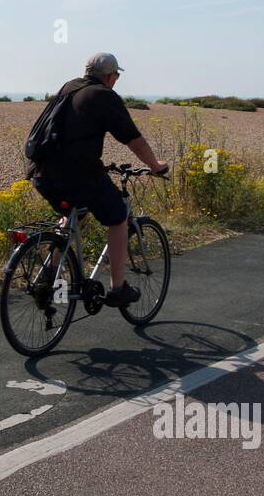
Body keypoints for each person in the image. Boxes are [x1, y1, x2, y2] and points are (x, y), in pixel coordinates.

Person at [27, 52, 169, 307]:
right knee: (118, 217)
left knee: (75, 214)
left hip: (42, 173)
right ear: (110, 76)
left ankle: (50, 272)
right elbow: (133, 139)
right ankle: (118, 288)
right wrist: (155, 166)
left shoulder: (69, 86)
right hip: (78, 174)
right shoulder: (104, 96)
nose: (116, 80)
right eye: (116, 75)